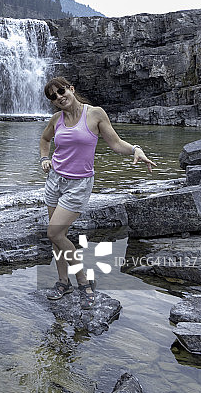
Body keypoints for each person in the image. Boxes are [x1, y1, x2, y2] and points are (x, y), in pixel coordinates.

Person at [39, 76, 156, 309]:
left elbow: (115, 143)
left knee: (54, 234)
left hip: (79, 184)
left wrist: (136, 149)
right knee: (57, 236)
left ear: (71, 89)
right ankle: (63, 282)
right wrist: (45, 158)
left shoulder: (95, 114)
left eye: (61, 91)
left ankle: (83, 282)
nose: (59, 97)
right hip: (55, 181)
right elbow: (44, 139)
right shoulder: (57, 119)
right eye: (53, 96)